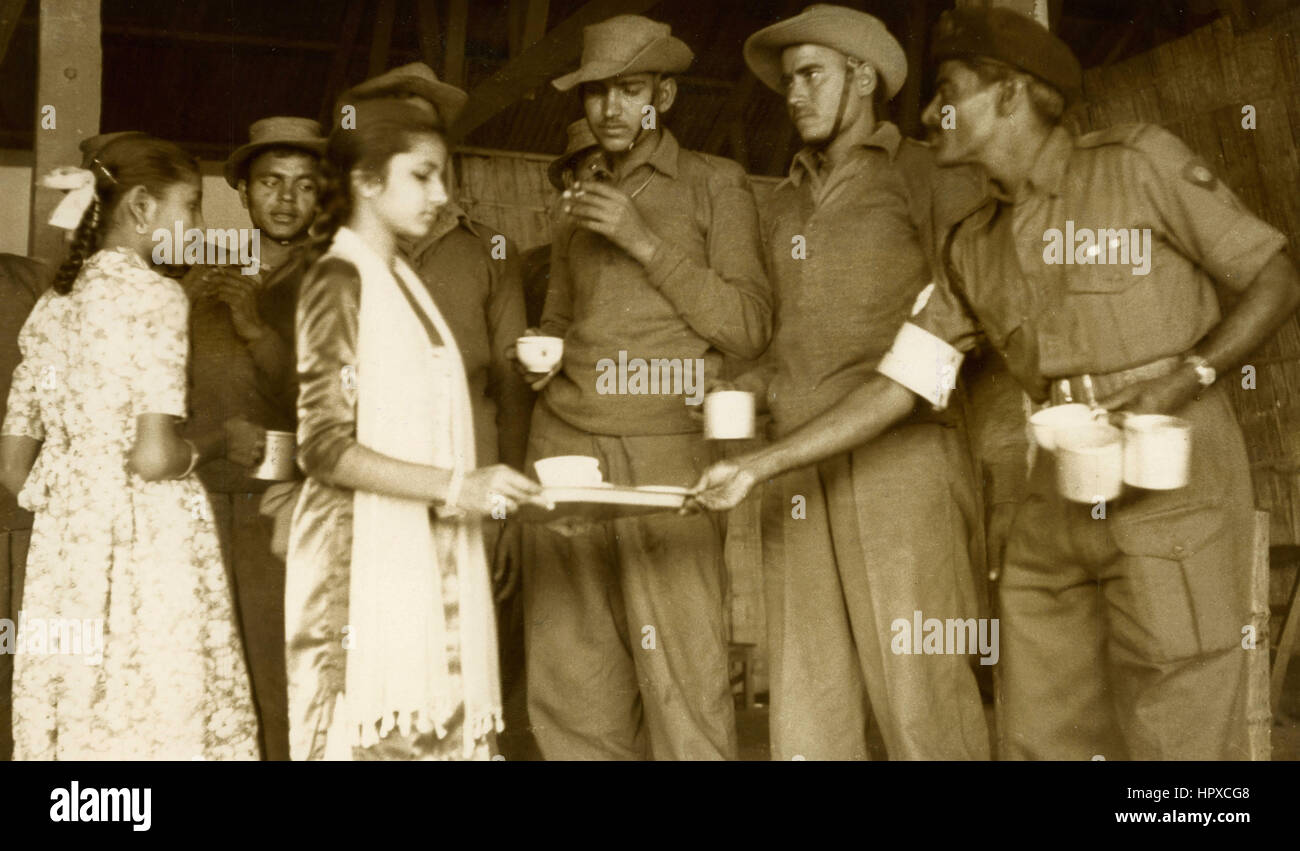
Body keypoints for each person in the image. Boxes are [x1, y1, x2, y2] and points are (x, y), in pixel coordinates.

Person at [692, 6, 1300, 761]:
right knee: (1038, 722)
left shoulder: (1135, 164)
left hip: (1169, 464)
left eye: (947, 89)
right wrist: (757, 464)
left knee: (1176, 711)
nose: (925, 110)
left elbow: (1273, 278)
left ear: (1010, 94)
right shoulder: (973, 248)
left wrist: (1189, 375)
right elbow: (898, 385)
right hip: (1061, 487)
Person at [731, 4, 989, 760]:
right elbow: (784, 338)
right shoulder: (782, 202)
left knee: (921, 697)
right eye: (788, 82)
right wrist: (743, 384)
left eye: (812, 74)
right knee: (808, 702)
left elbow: (966, 321)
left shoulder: (928, 172)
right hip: (795, 467)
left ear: (863, 76)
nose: (795, 94)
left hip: (902, 464)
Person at [520, 14, 771, 760]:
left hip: (666, 450)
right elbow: (561, 316)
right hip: (566, 441)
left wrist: (642, 239)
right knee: (573, 676)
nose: (610, 110)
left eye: (630, 91)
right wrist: (542, 354)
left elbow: (750, 326)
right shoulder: (580, 193)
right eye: (597, 94)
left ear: (664, 93)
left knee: (683, 677)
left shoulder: (713, 185)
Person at [284, 97, 549, 760]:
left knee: (438, 733)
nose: (441, 193)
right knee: (380, 739)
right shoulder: (338, 278)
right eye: (423, 175)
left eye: (444, 176)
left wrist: (471, 487)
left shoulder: (398, 276)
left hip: (428, 551)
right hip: (358, 557)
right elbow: (322, 445)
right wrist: (457, 483)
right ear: (366, 182)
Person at [0, 134, 262, 759]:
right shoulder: (155, 296)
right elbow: (152, 459)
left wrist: (78, 500)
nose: (198, 223)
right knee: (156, 698)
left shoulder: (53, 305)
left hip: (67, 549)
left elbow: (12, 465)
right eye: (192, 205)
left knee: (83, 697)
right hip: (150, 537)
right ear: (143, 208)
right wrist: (220, 438)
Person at [170, 115, 327, 761]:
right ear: (242, 189)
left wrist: (255, 326)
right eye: (270, 182)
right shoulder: (196, 275)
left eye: (305, 185)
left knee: (280, 664)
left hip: (285, 503)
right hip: (199, 498)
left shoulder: (333, 278)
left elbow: (331, 401)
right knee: (203, 668)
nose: (286, 199)